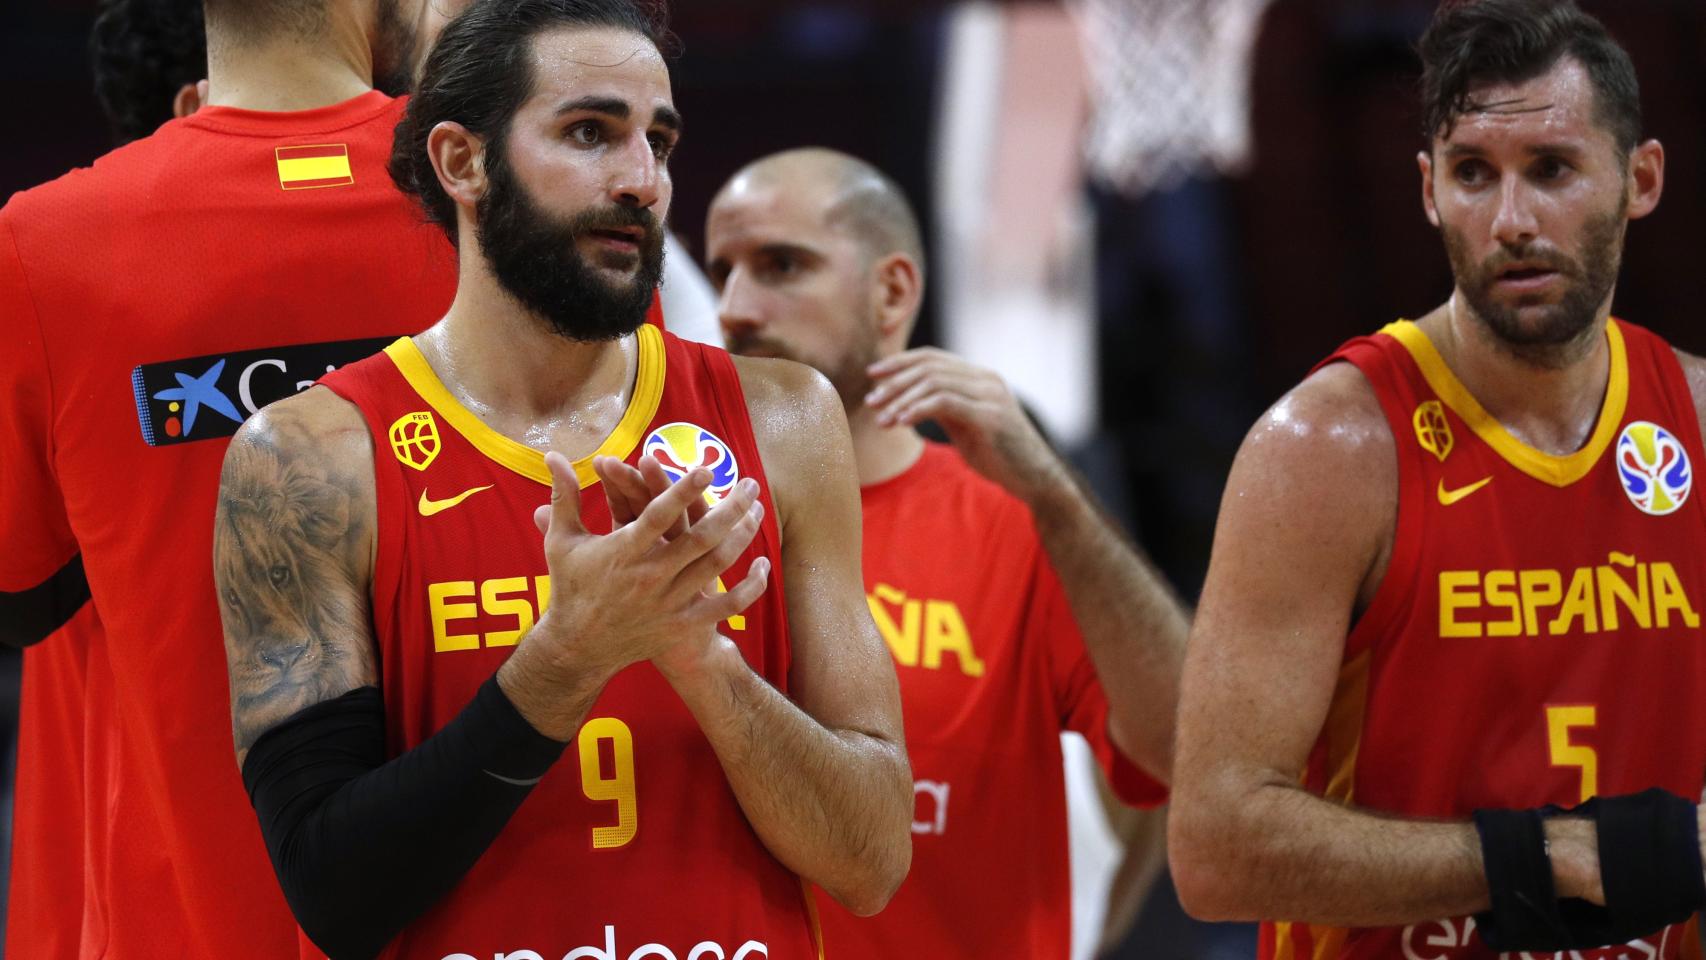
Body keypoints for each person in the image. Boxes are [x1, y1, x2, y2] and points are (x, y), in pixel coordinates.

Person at [214, 4, 912, 959]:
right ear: (463, 162)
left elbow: (872, 862)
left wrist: (703, 660)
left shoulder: (787, 419)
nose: (642, 181)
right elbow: (333, 893)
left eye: (658, 143)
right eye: (591, 133)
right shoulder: (308, 459)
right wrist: (571, 654)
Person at [1168, 1, 1706, 956]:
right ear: (1427, 191)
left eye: (1550, 170)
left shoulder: (1697, 424)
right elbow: (1216, 849)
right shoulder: (1326, 450)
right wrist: (1550, 856)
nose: (1510, 221)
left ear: (1642, 179)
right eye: (1472, 175)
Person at [0, 0, 462, 954]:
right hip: (479, 905)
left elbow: (22, 592)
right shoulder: (512, 193)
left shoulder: (42, 242)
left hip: (185, 919)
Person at [703, 146, 1186, 959]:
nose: (735, 308)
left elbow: (1186, 750)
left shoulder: (1011, 522)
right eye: (723, 271)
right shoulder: (683, 517)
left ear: (891, 292)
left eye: (781, 265)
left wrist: (1055, 496)